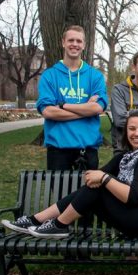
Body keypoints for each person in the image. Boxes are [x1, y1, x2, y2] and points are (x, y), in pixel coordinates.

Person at [2, 111, 138, 239]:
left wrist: (104, 178)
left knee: (101, 186)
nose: (136, 133)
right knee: (97, 186)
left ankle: (58, 225)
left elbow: (133, 197)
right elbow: (94, 177)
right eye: (131, 129)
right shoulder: (125, 157)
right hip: (136, 215)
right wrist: (100, 177)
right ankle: (37, 220)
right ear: (126, 132)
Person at [36, 25, 108, 171]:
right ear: (63, 42)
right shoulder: (49, 75)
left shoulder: (95, 76)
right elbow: (48, 112)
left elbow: (97, 108)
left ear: (84, 45)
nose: (75, 44)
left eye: (79, 41)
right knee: (60, 194)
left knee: (88, 194)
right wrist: (85, 108)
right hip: (58, 151)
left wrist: (63, 106)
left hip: (87, 150)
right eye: (71, 40)